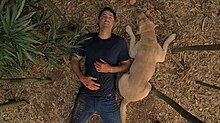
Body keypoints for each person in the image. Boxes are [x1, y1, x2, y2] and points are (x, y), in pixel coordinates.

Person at [69, 7, 131, 123]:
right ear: (99, 20)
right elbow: (74, 60)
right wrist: (82, 78)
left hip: (107, 98)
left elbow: (126, 65)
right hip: (86, 95)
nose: (107, 18)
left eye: (110, 17)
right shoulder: (87, 39)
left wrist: (110, 69)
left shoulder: (119, 42)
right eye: (104, 16)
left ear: (114, 23)